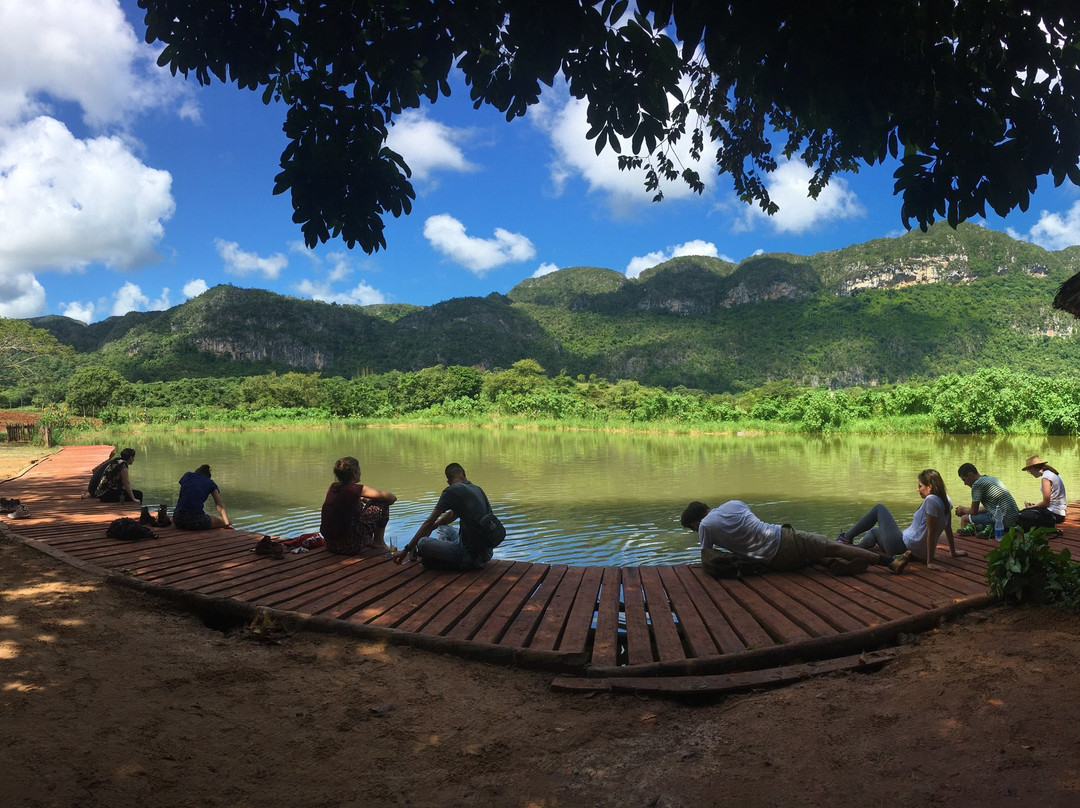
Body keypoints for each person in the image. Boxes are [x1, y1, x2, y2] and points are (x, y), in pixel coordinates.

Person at [680, 499, 912, 576]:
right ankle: (889, 561)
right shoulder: (734, 504)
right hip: (783, 538)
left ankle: (835, 565)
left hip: (774, 563)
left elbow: (707, 556)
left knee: (814, 554)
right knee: (832, 546)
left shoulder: (705, 527)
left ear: (694, 522)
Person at [837, 469, 966, 571]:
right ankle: (853, 550)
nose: (917, 489)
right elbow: (948, 527)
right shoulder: (946, 499)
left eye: (920, 486)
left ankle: (845, 540)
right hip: (913, 550)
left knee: (879, 508)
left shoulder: (930, 500)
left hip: (902, 546)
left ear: (930, 487)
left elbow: (931, 533)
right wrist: (953, 552)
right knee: (874, 531)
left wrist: (930, 562)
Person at [394, 463, 499, 571]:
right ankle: (447, 553)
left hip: (469, 556)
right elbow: (452, 514)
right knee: (442, 527)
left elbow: (428, 522)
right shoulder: (477, 489)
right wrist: (432, 527)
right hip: (487, 554)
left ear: (448, 482)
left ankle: (451, 558)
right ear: (464, 472)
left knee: (422, 543)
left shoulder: (451, 491)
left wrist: (407, 549)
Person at [320, 456, 398, 554]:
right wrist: (377, 501)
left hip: (330, 545)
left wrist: (365, 500)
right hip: (350, 547)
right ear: (353, 474)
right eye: (359, 469)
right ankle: (378, 542)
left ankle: (371, 540)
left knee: (366, 505)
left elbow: (348, 500)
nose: (360, 472)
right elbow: (392, 498)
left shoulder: (333, 487)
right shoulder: (355, 489)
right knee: (382, 502)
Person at [954, 463, 1020, 535]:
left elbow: (973, 512)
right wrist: (967, 511)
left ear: (970, 475)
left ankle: (965, 544)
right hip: (1014, 518)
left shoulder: (977, 484)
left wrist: (962, 509)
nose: (965, 483)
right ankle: (982, 530)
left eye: (964, 480)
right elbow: (987, 508)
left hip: (1003, 521)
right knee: (979, 519)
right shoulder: (989, 479)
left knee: (965, 519)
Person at [172, 464, 231, 530]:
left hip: (177, 519)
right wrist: (227, 523)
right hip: (196, 521)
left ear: (196, 472)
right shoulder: (210, 483)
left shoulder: (187, 475)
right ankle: (228, 524)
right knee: (225, 521)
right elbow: (219, 505)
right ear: (208, 476)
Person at [1018, 455, 1067, 530]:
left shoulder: (1046, 478)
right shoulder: (1051, 473)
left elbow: (1046, 503)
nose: (1030, 473)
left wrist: (1031, 507)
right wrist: (1036, 506)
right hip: (1059, 512)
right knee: (1025, 512)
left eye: (1029, 470)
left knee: (1022, 515)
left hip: (1055, 514)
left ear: (1033, 468)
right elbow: (1049, 501)